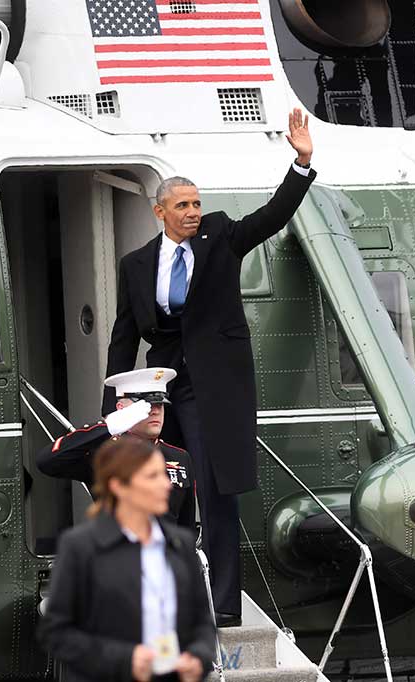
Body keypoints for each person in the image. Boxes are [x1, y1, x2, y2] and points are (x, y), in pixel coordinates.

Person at [102, 108, 316, 624]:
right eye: (182, 205)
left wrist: (301, 163)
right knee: (162, 488)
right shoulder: (136, 264)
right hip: (159, 387)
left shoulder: (220, 238)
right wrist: (112, 409)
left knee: (215, 493)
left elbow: (272, 216)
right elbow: (124, 333)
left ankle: (222, 607)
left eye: (197, 202)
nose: (193, 211)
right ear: (160, 212)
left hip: (211, 386)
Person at [38, 436, 216, 682]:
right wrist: (125, 659)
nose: (166, 484)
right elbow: (57, 633)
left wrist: (198, 657)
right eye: (152, 477)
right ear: (119, 486)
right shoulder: (81, 547)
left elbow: (202, 623)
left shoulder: (180, 544)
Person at [39, 368, 195, 529]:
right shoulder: (105, 453)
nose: (155, 411)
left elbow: (185, 526)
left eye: (160, 405)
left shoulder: (180, 457)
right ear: (121, 408)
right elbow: (47, 461)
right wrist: (107, 427)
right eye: (146, 405)